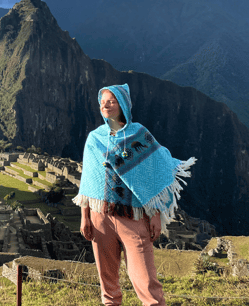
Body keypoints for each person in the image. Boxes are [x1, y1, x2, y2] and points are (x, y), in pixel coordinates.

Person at [72, 83, 196, 306]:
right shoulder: (94, 138)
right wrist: (85, 216)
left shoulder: (139, 135)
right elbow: (88, 181)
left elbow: (154, 175)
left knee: (146, 282)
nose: (105, 105)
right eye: (103, 101)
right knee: (108, 284)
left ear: (123, 105)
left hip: (134, 217)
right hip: (100, 217)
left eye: (111, 101)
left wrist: (155, 214)